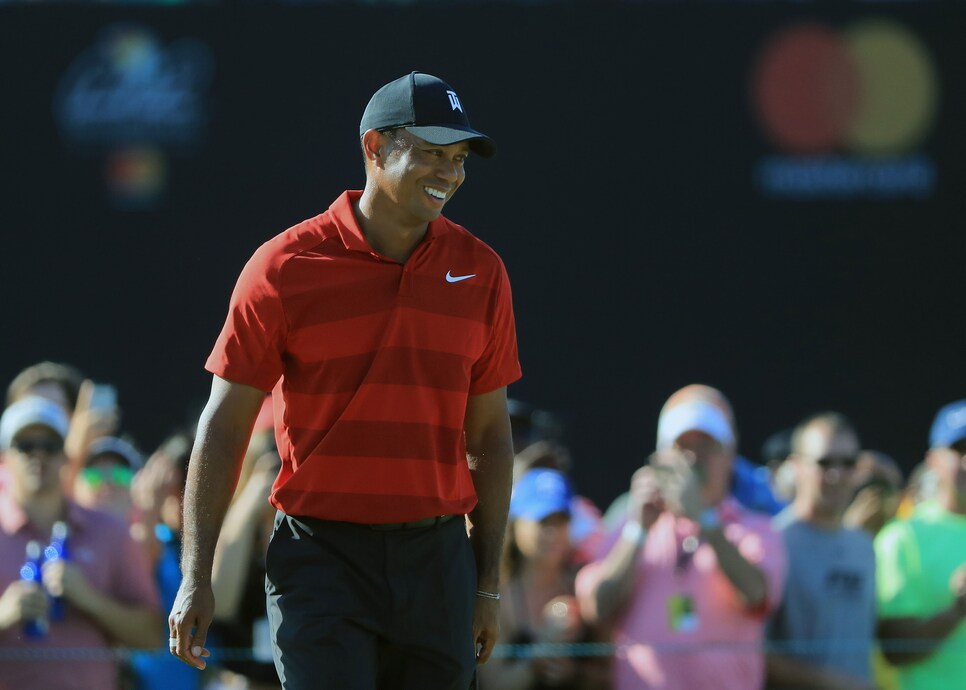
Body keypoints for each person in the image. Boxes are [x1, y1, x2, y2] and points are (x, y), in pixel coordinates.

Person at [168, 71, 521, 690]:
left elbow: (489, 435)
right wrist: (195, 576)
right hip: (320, 560)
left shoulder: (482, 272)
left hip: (437, 562)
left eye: (459, 157)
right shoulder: (283, 267)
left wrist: (486, 581)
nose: (450, 173)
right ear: (375, 147)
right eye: (432, 152)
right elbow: (224, 427)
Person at [576, 384, 786, 690]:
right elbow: (596, 608)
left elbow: (757, 594)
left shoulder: (756, 527)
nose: (692, 458)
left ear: (730, 455)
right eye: (681, 446)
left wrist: (704, 518)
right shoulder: (630, 522)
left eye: (707, 446)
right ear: (660, 457)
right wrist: (639, 530)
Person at [0, 396, 162, 690]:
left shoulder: (110, 532)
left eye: (49, 446)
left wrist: (90, 600)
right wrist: (4, 614)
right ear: (5, 457)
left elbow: (151, 635)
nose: (38, 456)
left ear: (65, 455)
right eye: (25, 446)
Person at [764, 412, 877, 690]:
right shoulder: (773, 542)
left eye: (848, 463)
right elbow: (751, 651)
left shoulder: (864, 546)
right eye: (824, 462)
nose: (837, 474)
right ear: (796, 466)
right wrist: (831, 683)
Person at [479, 467, 608, 690]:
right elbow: (491, 683)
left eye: (561, 520)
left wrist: (575, 674)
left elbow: (612, 676)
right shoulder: (496, 594)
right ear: (516, 523)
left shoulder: (584, 586)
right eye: (543, 520)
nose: (552, 532)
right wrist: (538, 658)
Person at [875, 398, 966, 689]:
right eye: (959, 449)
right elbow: (895, 649)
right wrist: (957, 610)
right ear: (933, 460)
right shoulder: (901, 537)